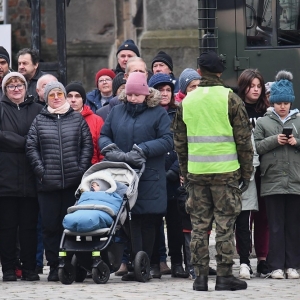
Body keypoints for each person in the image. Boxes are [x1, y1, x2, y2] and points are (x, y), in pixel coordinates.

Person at [172, 51, 253, 291]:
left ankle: (199, 278)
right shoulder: (230, 98)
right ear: (220, 72)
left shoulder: (187, 101)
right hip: (226, 173)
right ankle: (225, 276)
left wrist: (186, 172)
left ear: (199, 72)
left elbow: (179, 142)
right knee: (225, 225)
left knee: (199, 226)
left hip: (197, 174)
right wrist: (246, 173)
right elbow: (244, 141)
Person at [99, 71, 173, 282]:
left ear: (145, 94)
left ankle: (145, 264)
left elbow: (167, 140)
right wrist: (110, 149)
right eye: (129, 95)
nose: (132, 98)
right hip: (123, 175)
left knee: (147, 221)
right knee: (127, 222)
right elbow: (104, 135)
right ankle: (132, 263)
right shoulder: (117, 112)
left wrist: (143, 149)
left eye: (137, 95)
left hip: (149, 177)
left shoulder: (157, 113)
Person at [26, 81, 93, 281]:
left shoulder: (77, 119)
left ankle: (75, 263)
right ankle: (55, 265)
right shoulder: (39, 120)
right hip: (47, 185)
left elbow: (87, 145)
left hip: (73, 185)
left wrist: (80, 169)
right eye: (52, 95)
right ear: (46, 98)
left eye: (59, 94)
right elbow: (31, 147)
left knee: (74, 226)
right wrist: (41, 172)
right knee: (50, 227)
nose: (56, 98)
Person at [254, 70, 300, 280]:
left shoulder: (298, 121)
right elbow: (255, 146)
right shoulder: (263, 122)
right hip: (272, 181)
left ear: (291, 103)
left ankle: (292, 265)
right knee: (274, 226)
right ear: (272, 102)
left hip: (295, 181)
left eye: (286, 103)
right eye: (278, 102)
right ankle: (276, 266)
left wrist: (296, 142)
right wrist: (276, 140)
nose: (282, 106)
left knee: (293, 225)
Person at [0, 72, 42, 281]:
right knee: (7, 227)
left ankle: (29, 268)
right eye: (11, 86)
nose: (16, 89)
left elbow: (41, 136)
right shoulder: (1, 108)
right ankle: (8, 268)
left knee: (28, 227)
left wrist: (13, 141)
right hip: (4, 177)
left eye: (19, 85)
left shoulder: (37, 110)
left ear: (26, 88)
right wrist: (25, 143)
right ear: (5, 90)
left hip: (30, 177)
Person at [148, 73, 188, 279]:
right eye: (160, 90)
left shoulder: (178, 113)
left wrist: (174, 170)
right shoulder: (149, 114)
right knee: (154, 222)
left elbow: (183, 144)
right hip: (154, 176)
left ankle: (178, 262)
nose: (164, 94)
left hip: (173, 176)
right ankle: (155, 261)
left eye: (167, 90)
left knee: (175, 223)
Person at [237, 69, 270, 277]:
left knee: (264, 217)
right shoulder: (236, 109)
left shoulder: (267, 112)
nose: (256, 90)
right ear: (244, 86)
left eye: (259, 86)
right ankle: (244, 259)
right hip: (244, 169)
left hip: (265, 169)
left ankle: (263, 259)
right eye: (252, 86)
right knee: (244, 215)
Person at [66, 81, 104, 164]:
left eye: (77, 96)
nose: (73, 100)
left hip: (92, 169)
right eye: (69, 96)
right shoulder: (59, 119)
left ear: (83, 99)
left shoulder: (96, 120)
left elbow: (102, 149)